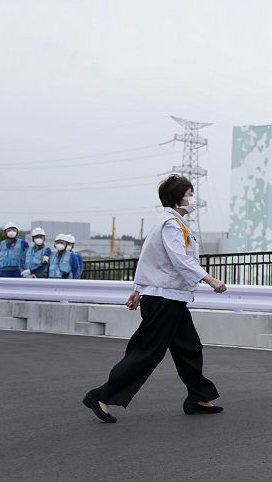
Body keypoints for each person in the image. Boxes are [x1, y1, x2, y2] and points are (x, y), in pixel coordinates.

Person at [83, 175, 228, 423]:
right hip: (164, 299)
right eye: (190, 194)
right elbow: (179, 259)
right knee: (147, 351)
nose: (192, 198)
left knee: (189, 347)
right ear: (177, 198)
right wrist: (209, 279)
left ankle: (198, 397)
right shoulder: (171, 224)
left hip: (171, 297)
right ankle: (102, 395)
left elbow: (150, 258)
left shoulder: (173, 223)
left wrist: (138, 288)